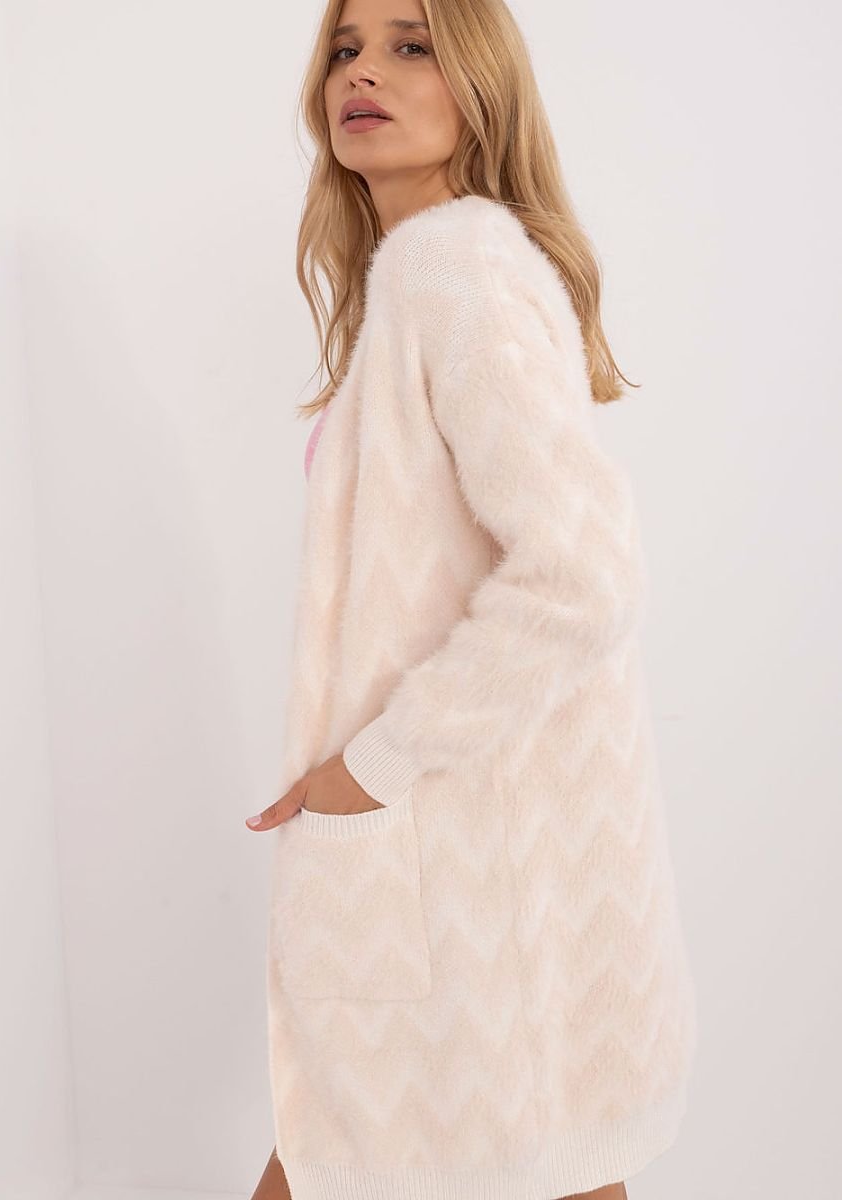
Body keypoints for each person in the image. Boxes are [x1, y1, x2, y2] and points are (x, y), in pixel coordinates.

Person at [246, 0, 698, 1197]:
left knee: (361, 1158)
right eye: (345, 49)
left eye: (412, 45)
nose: (364, 73)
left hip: (463, 857)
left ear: (481, 85)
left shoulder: (457, 269)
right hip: (486, 862)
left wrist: (370, 767)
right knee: (552, 1158)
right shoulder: (432, 273)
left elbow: (581, 575)